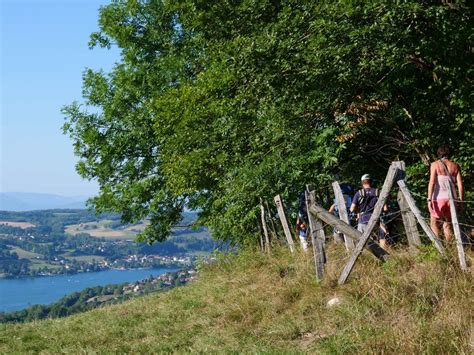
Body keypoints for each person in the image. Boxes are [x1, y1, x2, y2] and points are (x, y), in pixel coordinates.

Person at [427, 144, 464, 242]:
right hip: (451, 199)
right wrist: (460, 200)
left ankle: (438, 248)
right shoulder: (455, 166)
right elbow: (460, 185)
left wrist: (429, 199)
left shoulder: (435, 164)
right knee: (447, 225)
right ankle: (449, 248)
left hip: (438, 198)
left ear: (439, 153)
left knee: (434, 223)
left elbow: (432, 182)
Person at [350, 174, 389, 250]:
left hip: (363, 220)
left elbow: (352, 209)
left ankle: (366, 256)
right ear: (371, 182)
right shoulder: (378, 192)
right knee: (381, 236)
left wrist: (357, 212)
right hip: (376, 220)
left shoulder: (359, 193)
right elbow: (385, 208)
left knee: (362, 241)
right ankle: (383, 255)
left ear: (362, 183)